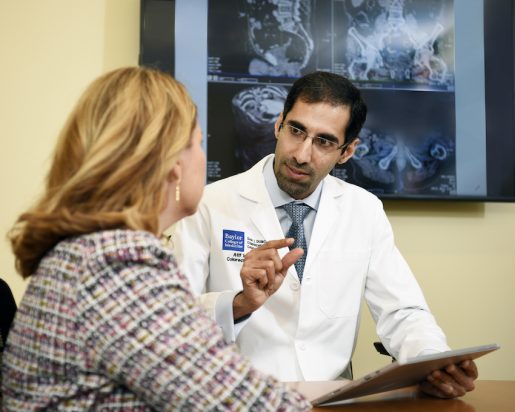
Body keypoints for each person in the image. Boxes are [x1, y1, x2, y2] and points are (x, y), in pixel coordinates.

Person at [1, 67, 311, 411]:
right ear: (173, 164)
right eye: (198, 143)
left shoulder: (87, 251)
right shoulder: (117, 268)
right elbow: (249, 405)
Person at [173, 71, 478, 399]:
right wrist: (237, 303)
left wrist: (433, 364)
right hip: (237, 398)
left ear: (347, 151)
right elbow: (170, 317)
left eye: (324, 141)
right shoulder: (208, 203)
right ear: (278, 125)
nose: (302, 154)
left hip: (330, 400)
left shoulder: (364, 210)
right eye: (296, 131)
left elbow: (402, 312)